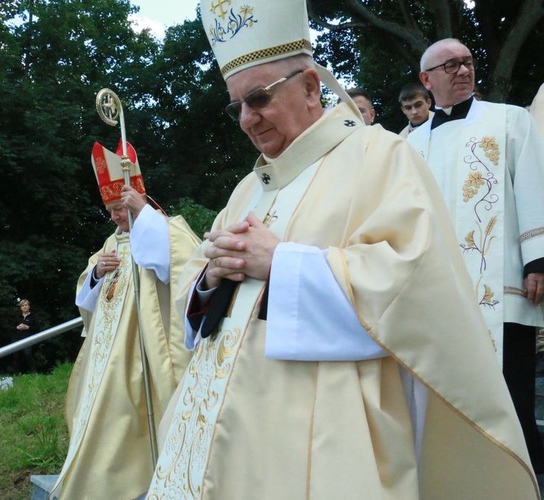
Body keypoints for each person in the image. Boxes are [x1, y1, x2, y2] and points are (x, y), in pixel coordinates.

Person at [146, 2, 537, 498]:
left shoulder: (380, 155)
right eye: (236, 107)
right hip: (221, 438)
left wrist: (280, 262)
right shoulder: (249, 187)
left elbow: (412, 279)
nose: (248, 118)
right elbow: (199, 302)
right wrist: (210, 279)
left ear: (311, 87)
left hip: (323, 431)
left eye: (259, 98)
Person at [407, 37, 544, 476]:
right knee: (448, 401)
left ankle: (525, 480)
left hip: (501, 287)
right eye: (450, 65)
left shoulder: (511, 120)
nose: (463, 70)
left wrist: (537, 260)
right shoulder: (408, 144)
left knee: (512, 401)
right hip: (436, 295)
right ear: (427, 80)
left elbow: (533, 186)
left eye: (466, 62)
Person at [52, 141, 200, 499]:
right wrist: (96, 275)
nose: (116, 217)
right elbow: (83, 294)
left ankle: (145, 473)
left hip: (144, 350)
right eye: (111, 211)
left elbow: (185, 266)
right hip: (106, 353)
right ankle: (102, 478)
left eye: (121, 208)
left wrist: (145, 216)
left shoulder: (164, 228)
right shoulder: (110, 243)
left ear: (137, 200)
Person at [11, 299, 38, 373]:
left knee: (28, 354)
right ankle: (16, 374)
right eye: (22, 306)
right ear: (20, 308)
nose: (24, 307)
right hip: (17, 338)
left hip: (28, 339)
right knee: (16, 356)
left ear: (29, 306)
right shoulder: (17, 316)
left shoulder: (33, 317)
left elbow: (37, 328)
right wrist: (17, 327)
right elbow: (10, 327)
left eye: (26, 305)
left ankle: (33, 372)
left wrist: (28, 327)